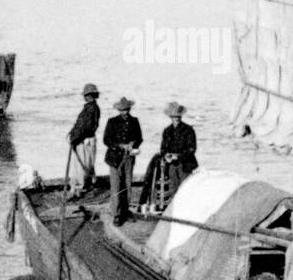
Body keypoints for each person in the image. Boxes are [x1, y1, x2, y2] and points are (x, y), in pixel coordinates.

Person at [141, 102, 198, 209]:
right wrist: (166, 156)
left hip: (185, 165)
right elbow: (163, 149)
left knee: (186, 189)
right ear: (170, 117)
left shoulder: (188, 130)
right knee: (173, 189)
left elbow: (192, 149)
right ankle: (175, 211)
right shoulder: (167, 131)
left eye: (178, 116)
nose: (176, 118)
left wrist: (178, 156)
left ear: (181, 116)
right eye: (174, 116)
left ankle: (186, 211)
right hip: (172, 165)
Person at [103, 97, 143, 225]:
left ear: (129, 109)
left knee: (127, 184)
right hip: (114, 158)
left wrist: (133, 143)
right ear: (119, 110)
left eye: (126, 110)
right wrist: (120, 145)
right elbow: (106, 140)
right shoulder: (112, 122)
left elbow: (140, 138)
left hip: (129, 158)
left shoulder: (134, 121)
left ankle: (125, 212)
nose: (124, 112)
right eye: (122, 110)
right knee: (116, 186)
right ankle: (116, 213)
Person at [67, 83, 101, 197]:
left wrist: (75, 139)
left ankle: (80, 189)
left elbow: (85, 128)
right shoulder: (92, 108)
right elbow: (82, 126)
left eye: (86, 95)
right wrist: (73, 134)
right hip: (86, 140)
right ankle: (87, 185)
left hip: (85, 141)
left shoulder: (90, 109)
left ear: (90, 96)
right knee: (86, 164)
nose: (85, 97)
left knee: (82, 166)